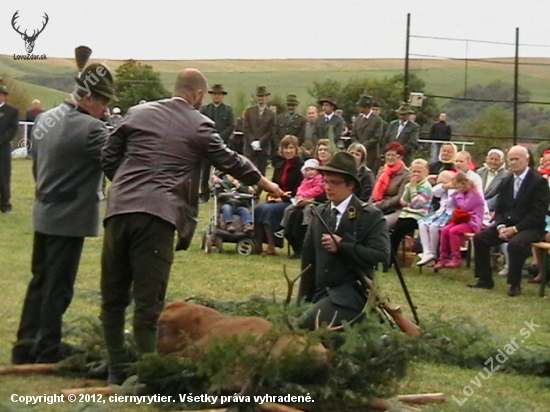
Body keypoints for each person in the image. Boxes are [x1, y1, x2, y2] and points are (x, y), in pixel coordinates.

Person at [100, 69, 283, 384]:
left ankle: (117, 367)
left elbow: (108, 155)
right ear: (199, 95)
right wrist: (265, 181)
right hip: (156, 216)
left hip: (118, 210)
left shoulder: (138, 113)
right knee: (149, 298)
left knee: (113, 293)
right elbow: (229, 160)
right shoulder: (199, 124)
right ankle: (146, 374)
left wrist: (128, 186)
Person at [11, 63, 115, 364]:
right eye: (103, 102)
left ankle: (25, 344)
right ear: (87, 98)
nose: (105, 109)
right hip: (71, 216)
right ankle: (48, 347)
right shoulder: (93, 129)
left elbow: (35, 164)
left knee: (39, 282)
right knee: (59, 287)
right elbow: (117, 164)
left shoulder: (45, 118)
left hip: (43, 209)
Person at [296, 151, 391, 330]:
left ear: (351, 186)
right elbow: (308, 264)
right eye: (326, 181)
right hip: (321, 295)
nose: (328, 187)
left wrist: (344, 246)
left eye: (335, 183)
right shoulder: (320, 213)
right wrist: (301, 302)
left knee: (303, 327)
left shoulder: (370, 216)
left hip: (351, 297)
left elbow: (382, 259)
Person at [471, 146, 550, 296]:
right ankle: (484, 279)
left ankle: (514, 284)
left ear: (527, 160)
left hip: (531, 227)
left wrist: (515, 229)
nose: (513, 163)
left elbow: (538, 214)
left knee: (516, 244)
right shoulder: (506, 180)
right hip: (506, 224)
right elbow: (499, 209)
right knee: (480, 238)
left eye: (517, 159)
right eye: (511, 159)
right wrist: (500, 226)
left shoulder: (538, 182)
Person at [253, 135, 303, 256]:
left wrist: (283, 198)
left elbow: (299, 189)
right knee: (258, 209)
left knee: (269, 210)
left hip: (292, 201)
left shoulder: (301, 166)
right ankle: (257, 244)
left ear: (296, 149)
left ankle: (272, 246)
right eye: (285, 148)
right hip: (277, 198)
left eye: (291, 148)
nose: (288, 151)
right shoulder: (280, 165)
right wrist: (272, 194)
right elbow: (274, 183)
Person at [434, 172, 485, 270]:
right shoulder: (459, 194)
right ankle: (443, 258)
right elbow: (452, 205)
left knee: (454, 231)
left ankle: (456, 258)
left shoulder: (474, 194)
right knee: (444, 230)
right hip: (461, 219)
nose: (458, 188)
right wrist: (454, 195)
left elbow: (465, 207)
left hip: (472, 221)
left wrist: (459, 194)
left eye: (460, 185)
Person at [276, 158, 324, 255]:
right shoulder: (305, 181)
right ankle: (283, 227)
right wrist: (299, 196)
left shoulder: (319, 179)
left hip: (313, 201)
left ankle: (306, 223)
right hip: (302, 199)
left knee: (307, 209)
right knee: (289, 209)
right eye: (307, 170)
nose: (309, 172)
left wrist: (305, 195)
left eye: (312, 170)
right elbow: (300, 189)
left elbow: (318, 190)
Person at [199, 84, 235, 202]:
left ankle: (223, 191)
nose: (217, 96)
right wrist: (210, 137)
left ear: (222, 96)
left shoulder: (228, 110)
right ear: (211, 95)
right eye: (215, 94)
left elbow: (231, 126)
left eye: (219, 94)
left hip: (222, 145)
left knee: (222, 169)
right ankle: (204, 194)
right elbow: (200, 125)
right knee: (205, 170)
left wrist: (220, 137)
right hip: (207, 144)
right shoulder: (204, 109)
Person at [390, 159, 432, 254]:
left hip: (418, 216)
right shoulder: (409, 185)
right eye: (414, 171)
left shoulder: (426, 187)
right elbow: (403, 202)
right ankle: (390, 256)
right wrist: (409, 188)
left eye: (419, 171)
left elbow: (417, 204)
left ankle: (391, 257)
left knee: (398, 232)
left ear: (426, 173)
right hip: (406, 214)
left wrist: (412, 189)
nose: (416, 174)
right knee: (394, 233)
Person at [417, 170, 457, 266]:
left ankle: (434, 253)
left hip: (450, 213)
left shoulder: (456, 190)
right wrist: (444, 186)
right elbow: (434, 192)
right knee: (422, 223)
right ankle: (427, 251)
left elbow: (452, 202)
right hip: (440, 212)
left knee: (433, 227)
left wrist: (452, 186)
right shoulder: (443, 188)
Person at [370, 142, 411, 228]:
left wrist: (379, 205)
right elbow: (374, 192)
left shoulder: (406, 174)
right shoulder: (382, 171)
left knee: (380, 223)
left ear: (400, 157)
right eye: (387, 155)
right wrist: (368, 205)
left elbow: (399, 198)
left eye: (393, 155)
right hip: (378, 205)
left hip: (396, 209)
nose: (390, 158)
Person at [243, 86, 276, 175]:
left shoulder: (271, 114)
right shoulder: (249, 111)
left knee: (261, 173)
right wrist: (252, 141)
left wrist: (260, 142)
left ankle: (259, 189)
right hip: (250, 147)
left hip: (263, 148)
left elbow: (271, 130)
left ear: (266, 97)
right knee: (248, 171)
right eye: (259, 96)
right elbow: (246, 128)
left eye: (263, 96)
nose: (261, 98)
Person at [351, 95, 384, 174]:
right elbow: (353, 134)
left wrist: (363, 146)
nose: (358, 108)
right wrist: (357, 145)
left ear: (366, 107)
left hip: (371, 155)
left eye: (360, 106)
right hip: (357, 153)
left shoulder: (377, 120)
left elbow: (377, 137)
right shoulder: (358, 119)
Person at [0, 83, 20, 213]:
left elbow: (13, 129)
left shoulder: (12, 111)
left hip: (3, 149)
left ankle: (5, 204)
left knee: (3, 177)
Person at [274, 94, 306, 159]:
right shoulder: (279, 118)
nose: (290, 107)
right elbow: (274, 133)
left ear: (296, 106)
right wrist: (279, 146)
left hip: (294, 152)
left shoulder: (301, 120)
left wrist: (293, 147)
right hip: (280, 151)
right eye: (289, 105)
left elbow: (301, 136)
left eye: (293, 106)